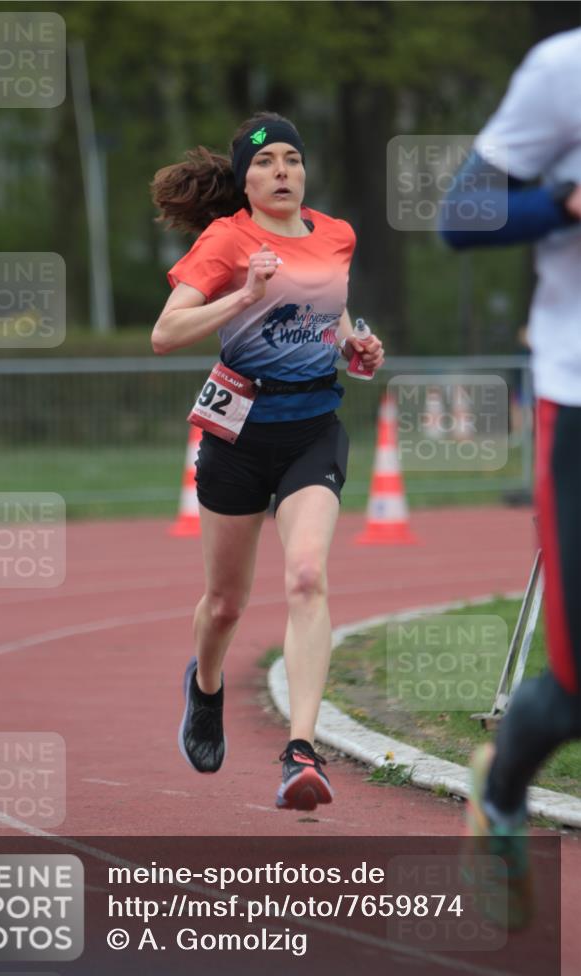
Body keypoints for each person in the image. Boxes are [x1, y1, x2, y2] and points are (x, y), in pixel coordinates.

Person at [150, 111, 384, 811]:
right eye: (265, 162)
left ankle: (300, 752)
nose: (281, 170)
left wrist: (357, 348)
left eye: (291, 158)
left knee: (307, 576)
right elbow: (164, 334)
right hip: (237, 439)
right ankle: (206, 687)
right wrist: (243, 295)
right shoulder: (226, 240)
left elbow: (332, 315)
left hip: (311, 430)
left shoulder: (335, 233)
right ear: (245, 180)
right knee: (224, 605)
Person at [439, 28, 581, 925]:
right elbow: (462, 216)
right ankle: (499, 785)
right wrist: (566, 204)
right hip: (578, 398)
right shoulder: (563, 69)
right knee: (575, 679)